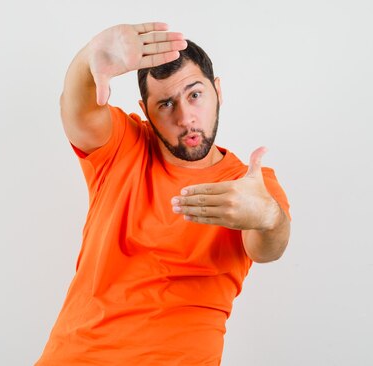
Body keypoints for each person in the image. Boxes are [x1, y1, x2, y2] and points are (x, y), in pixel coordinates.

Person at [35, 22, 291, 365]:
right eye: (166, 104)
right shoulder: (124, 147)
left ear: (218, 91)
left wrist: (268, 218)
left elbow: (267, 247)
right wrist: (87, 58)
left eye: (195, 94)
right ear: (146, 111)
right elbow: (78, 112)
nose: (186, 117)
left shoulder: (248, 185)